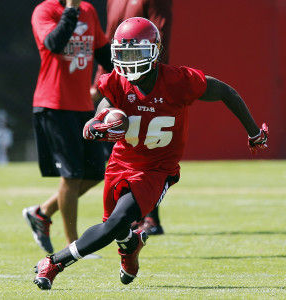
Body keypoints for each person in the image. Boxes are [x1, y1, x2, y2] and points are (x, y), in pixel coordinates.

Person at [32, 17, 268, 290]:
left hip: (157, 169)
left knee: (115, 224)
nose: (130, 61)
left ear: (155, 51)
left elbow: (226, 92)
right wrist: (95, 125)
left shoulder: (179, 80)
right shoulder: (116, 82)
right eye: (125, 54)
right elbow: (101, 111)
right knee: (117, 228)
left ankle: (54, 263)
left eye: (137, 54)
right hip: (121, 163)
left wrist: (254, 132)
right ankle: (131, 247)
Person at [22, 0, 114, 254]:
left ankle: (41, 213)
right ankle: (74, 246)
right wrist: (71, 10)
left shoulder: (89, 10)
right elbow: (55, 43)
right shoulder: (44, 11)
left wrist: (102, 86)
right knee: (71, 176)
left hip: (84, 107)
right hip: (54, 106)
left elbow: (104, 54)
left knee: (95, 174)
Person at [91, 0, 173, 235]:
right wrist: (102, 74)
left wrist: (153, 82)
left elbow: (159, 35)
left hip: (146, 76)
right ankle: (132, 216)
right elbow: (110, 36)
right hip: (120, 73)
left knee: (147, 148)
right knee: (123, 146)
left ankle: (149, 217)